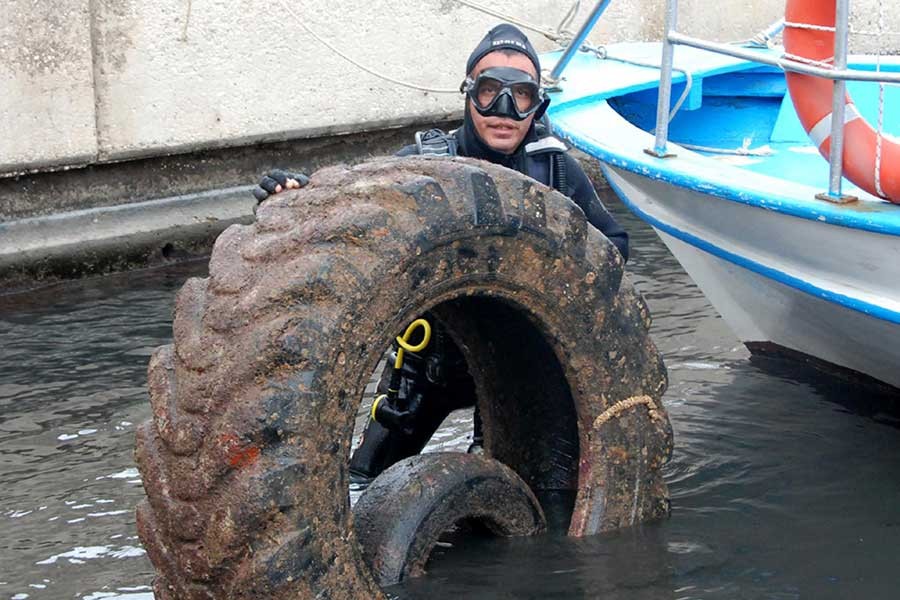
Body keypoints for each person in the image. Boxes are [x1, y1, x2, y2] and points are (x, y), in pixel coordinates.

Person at [253, 23, 629, 484]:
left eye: (522, 96)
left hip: (518, 366)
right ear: (469, 95)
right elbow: (351, 210)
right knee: (359, 480)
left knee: (515, 481)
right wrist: (299, 196)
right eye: (490, 91)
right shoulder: (423, 165)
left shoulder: (556, 170)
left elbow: (612, 249)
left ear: (539, 105)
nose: (504, 111)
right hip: (430, 360)